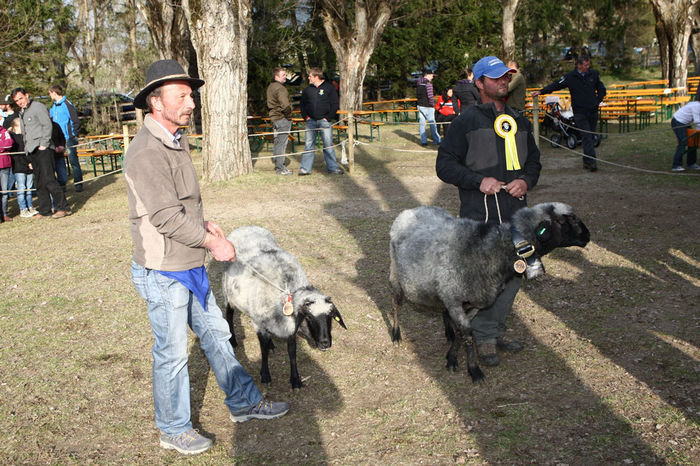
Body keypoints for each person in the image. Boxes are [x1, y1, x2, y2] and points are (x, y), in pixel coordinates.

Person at [125, 60, 289, 456]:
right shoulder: (147, 150)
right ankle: (174, 428)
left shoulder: (175, 139)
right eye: (180, 95)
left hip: (189, 264)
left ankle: (244, 403)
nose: (191, 101)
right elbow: (163, 217)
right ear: (154, 101)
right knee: (172, 353)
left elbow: (178, 205)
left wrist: (204, 225)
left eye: (191, 93)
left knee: (217, 336)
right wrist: (213, 243)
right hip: (163, 270)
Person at [436, 56, 542, 367]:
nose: (503, 82)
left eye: (506, 77)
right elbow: (444, 166)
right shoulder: (464, 122)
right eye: (495, 78)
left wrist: (525, 180)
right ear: (479, 83)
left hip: (516, 215)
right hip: (478, 217)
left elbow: (534, 162)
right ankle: (482, 337)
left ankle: (492, 330)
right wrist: (478, 180)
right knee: (484, 280)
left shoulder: (520, 121)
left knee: (514, 273)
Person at [532, 54, 606, 171]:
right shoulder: (571, 77)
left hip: (592, 111)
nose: (588, 67)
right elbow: (556, 85)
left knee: (590, 136)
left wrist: (598, 100)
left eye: (589, 64)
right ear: (579, 65)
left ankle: (587, 160)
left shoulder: (594, 74)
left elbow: (601, 88)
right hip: (580, 112)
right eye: (586, 65)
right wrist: (541, 91)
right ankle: (591, 162)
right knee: (586, 135)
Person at [12, 87, 71, 218]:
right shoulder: (22, 112)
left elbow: (47, 125)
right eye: (16, 101)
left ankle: (63, 207)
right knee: (39, 181)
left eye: (21, 98)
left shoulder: (38, 107)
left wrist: (44, 144)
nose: (19, 102)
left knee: (49, 179)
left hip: (43, 149)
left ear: (27, 95)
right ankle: (45, 210)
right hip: (32, 150)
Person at [298, 67, 343, 175]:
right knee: (308, 145)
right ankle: (305, 169)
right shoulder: (307, 90)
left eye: (310, 76)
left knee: (328, 144)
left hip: (325, 122)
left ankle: (332, 168)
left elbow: (335, 104)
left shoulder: (329, 88)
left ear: (316, 77)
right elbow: (302, 105)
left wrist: (328, 118)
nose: (308, 78)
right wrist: (306, 117)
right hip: (310, 122)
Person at [49, 84, 83, 192]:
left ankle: (78, 184)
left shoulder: (67, 104)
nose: (49, 95)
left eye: (50, 93)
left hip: (68, 138)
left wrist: (74, 135)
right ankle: (62, 185)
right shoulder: (53, 107)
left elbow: (75, 120)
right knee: (59, 162)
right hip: (57, 139)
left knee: (73, 161)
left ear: (54, 93)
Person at [7, 118, 36, 217]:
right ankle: (23, 208)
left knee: (29, 187)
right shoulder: (12, 137)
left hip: (29, 165)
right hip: (19, 166)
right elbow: (16, 154)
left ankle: (30, 206)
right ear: (15, 127)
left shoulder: (26, 136)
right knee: (21, 187)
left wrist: (31, 162)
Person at [266, 67, 292, 175]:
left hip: (274, 118)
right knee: (281, 143)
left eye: (285, 75)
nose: (285, 77)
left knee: (277, 143)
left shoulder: (270, 87)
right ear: (276, 76)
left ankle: (279, 166)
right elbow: (285, 105)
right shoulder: (280, 88)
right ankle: (281, 168)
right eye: (283, 75)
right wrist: (288, 115)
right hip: (281, 118)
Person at [669, 91, 700, 172]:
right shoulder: (697, 106)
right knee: (683, 142)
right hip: (678, 122)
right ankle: (676, 165)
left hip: (685, 123)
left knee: (693, 141)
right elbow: (698, 122)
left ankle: (691, 163)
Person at [416, 69, 441, 145]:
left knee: (422, 124)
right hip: (428, 106)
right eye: (432, 75)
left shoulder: (418, 83)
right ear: (427, 75)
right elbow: (430, 97)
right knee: (432, 124)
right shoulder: (428, 84)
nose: (432, 77)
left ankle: (423, 141)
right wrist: (432, 105)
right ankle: (437, 140)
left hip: (420, 105)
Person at [0, 124, 13, 221]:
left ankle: (4, 213)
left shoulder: (4, 131)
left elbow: (9, 143)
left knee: (4, 191)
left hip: (4, 165)